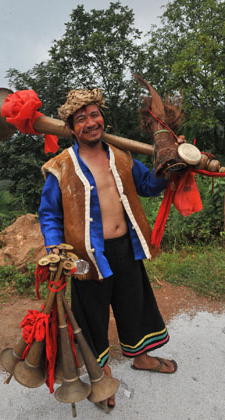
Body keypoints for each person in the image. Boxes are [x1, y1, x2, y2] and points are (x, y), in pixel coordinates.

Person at [38, 88, 179, 409]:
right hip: (86, 257)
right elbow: (49, 214)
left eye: (94, 115)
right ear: (72, 128)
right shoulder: (61, 167)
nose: (90, 122)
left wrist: (171, 163)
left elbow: (148, 186)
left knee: (135, 304)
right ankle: (101, 375)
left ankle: (141, 357)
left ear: (103, 118)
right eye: (81, 118)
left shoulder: (121, 156)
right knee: (91, 315)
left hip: (126, 247)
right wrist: (55, 248)